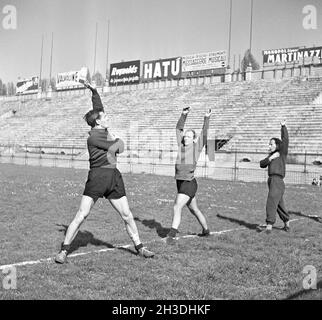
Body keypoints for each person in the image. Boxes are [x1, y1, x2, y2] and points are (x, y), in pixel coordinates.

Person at [55, 82, 154, 263]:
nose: (108, 117)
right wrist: (117, 138)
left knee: (127, 214)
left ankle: (140, 247)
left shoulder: (102, 128)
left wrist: (93, 91)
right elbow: (120, 147)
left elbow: (98, 108)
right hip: (97, 178)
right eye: (105, 117)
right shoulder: (94, 137)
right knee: (82, 215)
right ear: (98, 122)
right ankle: (64, 250)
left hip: (113, 177)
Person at [166, 106, 211, 244]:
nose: (185, 137)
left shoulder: (197, 147)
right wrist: (183, 115)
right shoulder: (181, 146)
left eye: (189, 136)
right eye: (185, 135)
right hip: (180, 182)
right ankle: (206, 230)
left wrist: (206, 118)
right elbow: (178, 129)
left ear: (194, 139)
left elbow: (204, 133)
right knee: (194, 209)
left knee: (177, 206)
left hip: (189, 183)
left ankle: (172, 235)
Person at [258, 120, 290, 234]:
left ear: (277, 145)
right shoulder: (271, 156)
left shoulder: (282, 153)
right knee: (279, 204)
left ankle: (269, 226)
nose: (269, 146)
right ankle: (287, 223)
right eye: (269, 144)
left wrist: (283, 126)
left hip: (277, 181)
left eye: (271, 144)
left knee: (271, 201)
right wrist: (270, 158)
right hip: (271, 181)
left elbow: (285, 140)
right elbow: (261, 164)